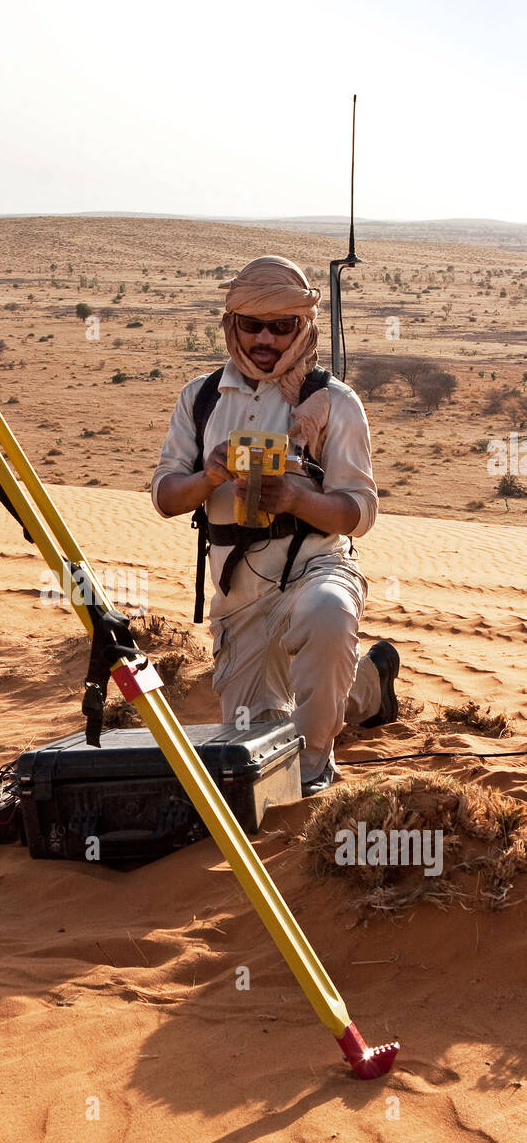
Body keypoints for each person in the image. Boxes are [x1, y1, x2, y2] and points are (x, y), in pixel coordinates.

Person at [150, 255, 399, 795]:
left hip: (317, 566)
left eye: (281, 326)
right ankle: (369, 689)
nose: (266, 338)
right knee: (256, 739)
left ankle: (314, 770)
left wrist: (296, 497)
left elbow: (360, 513)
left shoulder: (334, 403)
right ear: (231, 323)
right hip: (239, 597)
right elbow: (166, 497)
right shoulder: (201, 398)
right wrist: (207, 475)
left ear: (302, 325)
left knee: (328, 615)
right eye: (252, 324)